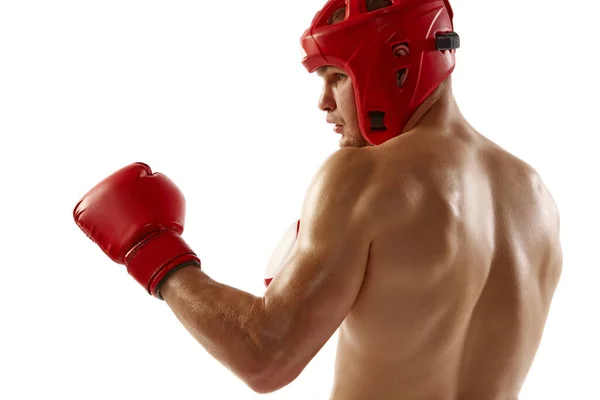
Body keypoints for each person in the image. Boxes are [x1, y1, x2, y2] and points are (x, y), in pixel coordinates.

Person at [73, 0, 563, 398]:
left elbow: (264, 357)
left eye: (338, 76)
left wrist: (156, 253)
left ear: (398, 65)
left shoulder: (363, 175)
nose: (323, 102)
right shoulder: (534, 193)